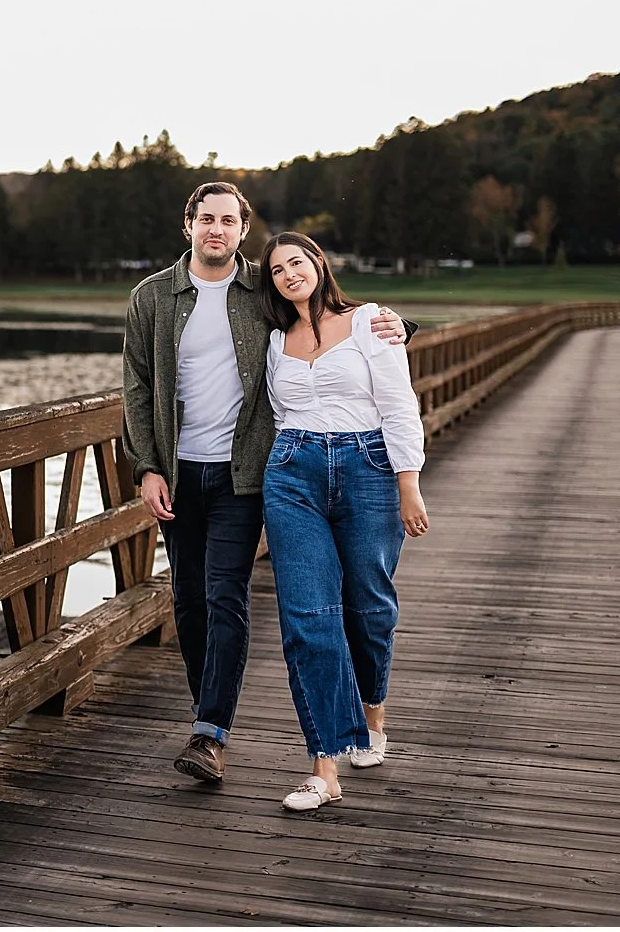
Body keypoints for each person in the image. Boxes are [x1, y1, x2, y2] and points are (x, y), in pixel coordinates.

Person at [122, 183, 407, 785]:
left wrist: (398, 325)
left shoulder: (262, 289)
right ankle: (208, 710)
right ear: (188, 225)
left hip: (244, 473)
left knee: (226, 592)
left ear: (243, 230)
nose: (216, 230)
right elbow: (137, 388)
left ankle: (210, 732)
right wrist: (146, 466)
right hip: (177, 471)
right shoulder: (151, 299)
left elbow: (331, 323)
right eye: (206, 219)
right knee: (189, 600)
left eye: (229, 220)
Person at [256, 230, 430, 813]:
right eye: (277, 270)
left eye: (296, 262)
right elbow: (275, 410)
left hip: (369, 470)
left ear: (318, 264)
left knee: (369, 605)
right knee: (308, 617)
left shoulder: (370, 322)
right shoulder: (274, 338)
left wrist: (409, 482)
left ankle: (372, 714)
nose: (288, 275)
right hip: (292, 471)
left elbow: (398, 402)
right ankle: (323, 767)